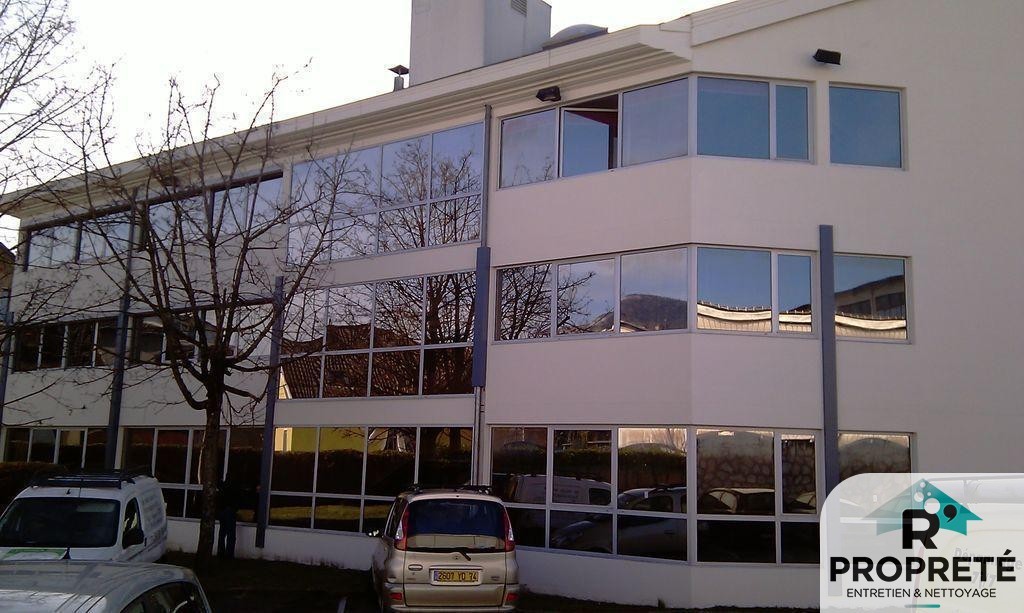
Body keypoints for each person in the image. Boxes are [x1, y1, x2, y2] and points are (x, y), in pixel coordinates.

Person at [216, 479, 239, 559]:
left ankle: (221, 552)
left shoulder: (222, 485)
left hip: (222, 509)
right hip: (229, 510)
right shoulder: (233, 485)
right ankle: (229, 554)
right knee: (230, 533)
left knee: (222, 532)